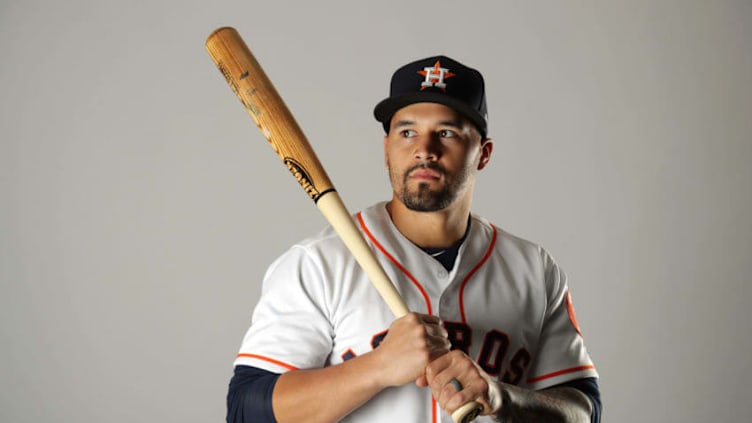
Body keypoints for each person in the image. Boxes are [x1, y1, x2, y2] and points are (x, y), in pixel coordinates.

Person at [226, 55, 601, 423]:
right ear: (387, 149)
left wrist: (502, 398)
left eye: (447, 132)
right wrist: (376, 368)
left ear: (483, 154)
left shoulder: (534, 269)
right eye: (407, 132)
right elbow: (245, 410)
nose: (425, 149)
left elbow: (584, 411)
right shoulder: (318, 262)